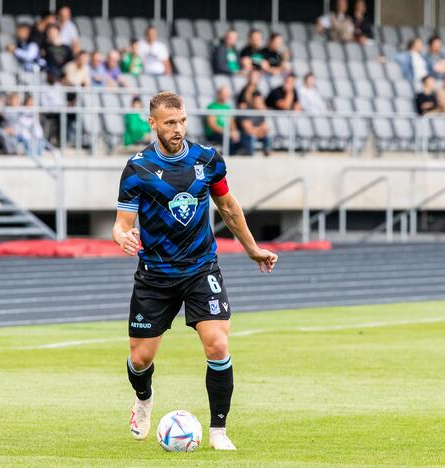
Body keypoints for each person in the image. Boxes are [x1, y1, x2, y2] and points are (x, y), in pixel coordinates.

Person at [113, 91, 278, 451]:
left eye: (182, 121)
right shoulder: (137, 167)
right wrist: (123, 238)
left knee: (218, 344)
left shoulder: (207, 160)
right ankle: (143, 399)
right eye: (170, 122)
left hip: (201, 268)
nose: (178, 128)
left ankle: (218, 430)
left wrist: (252, 249)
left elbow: (228, 207)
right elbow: (121, 223)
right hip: (155, 274)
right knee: (140, 359)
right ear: (153, 123)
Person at [204, 85, 240, 151]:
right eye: (224, 94)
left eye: (227, 95)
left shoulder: (228, 107)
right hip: (214, 134)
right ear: (219, 94)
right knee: (229, 141)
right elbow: (213, 126)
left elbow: (232, 123)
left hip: (226, 132)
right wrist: (227, 133)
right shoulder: (212, 107)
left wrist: (234, 132)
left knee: (240, 139)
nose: (225, 96)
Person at [236, 92, 271, 156]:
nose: (259, 103)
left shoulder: (260, 113)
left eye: (260, 102)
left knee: (268, 137)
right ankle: (250, 155)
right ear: (252, 101)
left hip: (256, 134)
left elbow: (265, 128)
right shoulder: (246, 111)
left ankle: (267, 154)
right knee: (251, 137)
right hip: (245, 136)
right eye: (257, 101)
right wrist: (259, 130)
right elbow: (248, 130)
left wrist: (256, 131)